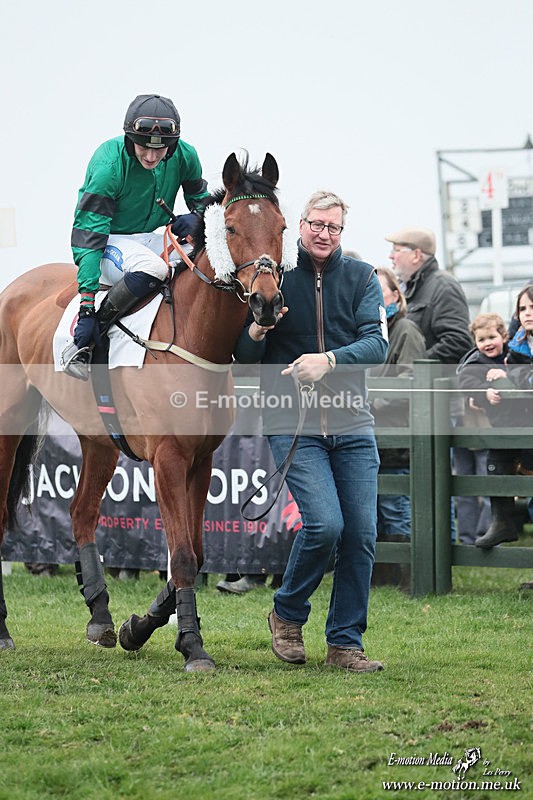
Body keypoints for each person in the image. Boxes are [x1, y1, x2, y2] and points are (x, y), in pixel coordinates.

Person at [235, 190, 388, 673]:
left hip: (353, 425)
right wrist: (258, 331)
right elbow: (245, 358)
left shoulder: (364, 278)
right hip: (291, 424)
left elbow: (377, 344)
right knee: (325, 525)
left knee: (362, 534)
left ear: (343, 231)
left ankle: (345, 643)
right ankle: (287, 613)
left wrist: (331, 361)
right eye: (317, 225)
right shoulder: (274, 277)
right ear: (299, 225)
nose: (324, 234)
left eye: (334, 227)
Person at [63, 93, 210, 380]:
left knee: (203, 254)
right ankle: (92, 338)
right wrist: (86, 306)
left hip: (146, 238)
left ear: (173, 143)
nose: (152, 156)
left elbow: (202, 200)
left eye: (162, 149)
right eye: (144, 147)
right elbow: (89, 238)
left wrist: (199, 219)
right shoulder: (109, 167)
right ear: (130, 139)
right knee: (153, 267)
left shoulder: (186, 155)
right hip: (106, 241)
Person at [386, 226, 473, 540]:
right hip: (416, 404)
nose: (391, 256)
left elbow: (459, 340)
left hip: (436, 403)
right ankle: (419, 557)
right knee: (417, 486)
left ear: (416, 254)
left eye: (397, 249)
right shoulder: (415, 288)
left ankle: (443, 553)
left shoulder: (442, 286)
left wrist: (415, 363)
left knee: (434, 485)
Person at [457, 304, 533, 548]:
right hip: (502, 426)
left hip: (524, 423)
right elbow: (465, 382)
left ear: (504, 336)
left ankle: (509, 519)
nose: (487, 343)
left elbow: (520, 373)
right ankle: (502, 522)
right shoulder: (475, 362)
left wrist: (503, 375)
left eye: (492, 337)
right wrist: (483, 393)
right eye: (481, 339)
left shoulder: (514, 354)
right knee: (495, 466)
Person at [369, 267, 426, 590]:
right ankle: (381, 578)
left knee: (396, 509)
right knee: (375, 509)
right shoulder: (371, 331)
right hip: (373, 437)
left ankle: (408, 578)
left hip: (397, 437)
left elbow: (411, 380)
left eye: (383, 291)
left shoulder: (404, 329)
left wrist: (375, 400)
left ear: (395, 295)